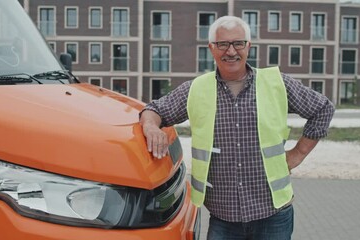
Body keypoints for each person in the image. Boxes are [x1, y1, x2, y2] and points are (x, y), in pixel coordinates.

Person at [139, 15, 334, 240]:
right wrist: (152, 128)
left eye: (238, 43)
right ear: (211, 48)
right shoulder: (195, 89)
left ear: (248, 46)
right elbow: (153, 110)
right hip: (224, 220)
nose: (231, 51)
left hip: (273, 216)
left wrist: (298, 153)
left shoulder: (276, 83)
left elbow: (323, 109)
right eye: (223, 44)